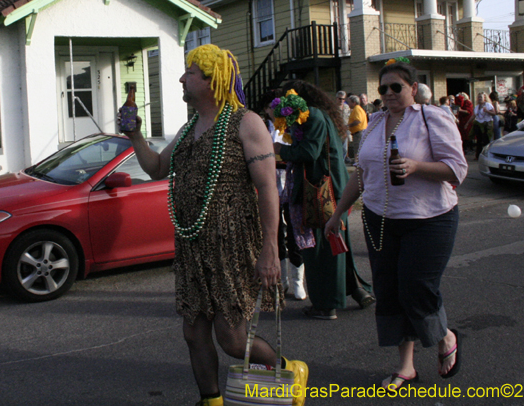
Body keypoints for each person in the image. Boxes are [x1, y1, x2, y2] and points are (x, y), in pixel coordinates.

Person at [124, 44, 303, 406]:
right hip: (193, 245)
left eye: (189, 73)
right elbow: (158, 168)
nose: (181, 79)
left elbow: (269, 188)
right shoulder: (190, 127)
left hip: (232, 244)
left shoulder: (245, 122)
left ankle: (288, 369)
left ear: (211, 80)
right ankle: (211, 400)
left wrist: (270, 249)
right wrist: (135, 135)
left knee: (233, 339)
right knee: (193, 332)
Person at [326, 60, 467, 390]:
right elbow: (360, 174)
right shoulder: (374, 123)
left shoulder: (433, 118)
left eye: (396, 87)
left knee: (415, 287)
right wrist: (338, 213)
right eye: (383, 88)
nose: (388, 94)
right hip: (380, 218)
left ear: (413, 89)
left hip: (429, 218)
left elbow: (457, 170)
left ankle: (445, 338)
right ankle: (406, 367)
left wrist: (417, 166)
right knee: (389, 291)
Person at [274, 81, 374, 320]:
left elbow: (309, 152)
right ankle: (357, 291)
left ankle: (326, 304)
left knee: (320, 248)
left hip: (320, 192)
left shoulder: (313, 116)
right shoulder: (319, 115)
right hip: (331, 189)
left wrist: (280, 149)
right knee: (337, 244)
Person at [261, 90, 306, 301]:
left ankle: (298, 282)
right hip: (269, 186)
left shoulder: (290, 125)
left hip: (289, 182)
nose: (273, 110)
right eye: (270, 106)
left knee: (295, 234)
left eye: (276, 105)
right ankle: (283, 281)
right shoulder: (261, 127)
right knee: (275, 234)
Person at [469, 92, 496, 161]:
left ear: (484, 98)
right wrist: (467, 123)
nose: (479, 98)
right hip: (478, 124)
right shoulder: (477, 107)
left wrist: (487, 111)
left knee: (486, 141)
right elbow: (474, 115)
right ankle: (478, 156)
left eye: (481, 97)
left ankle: (487, 156)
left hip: (486, 124)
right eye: (478, 97)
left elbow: (494, 113)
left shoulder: (488, 105)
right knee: (479, 141)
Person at [347, 95, 367, 160]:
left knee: (358, 149)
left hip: (359, 133)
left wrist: (348, 126)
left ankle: (358, 164)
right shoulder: (358, 109)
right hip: (359, 132)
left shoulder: (357, 109)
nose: (348, 104)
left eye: (349, 102)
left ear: (354, 102)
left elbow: (357, 121)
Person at [337, 91, 351, 163]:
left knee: (345, 147)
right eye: (340, 99)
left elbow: (349, 116)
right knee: (338, 146)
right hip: (337, 129)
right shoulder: (334, 107)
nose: (341, 100)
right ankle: (339, 162)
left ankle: (342, 161)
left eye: (343, 99)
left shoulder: (346, 107)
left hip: (345, 129)